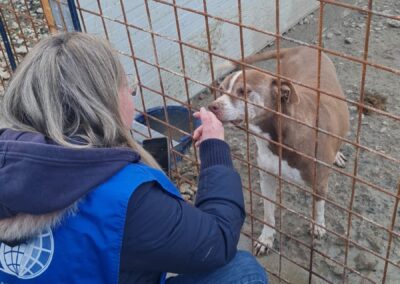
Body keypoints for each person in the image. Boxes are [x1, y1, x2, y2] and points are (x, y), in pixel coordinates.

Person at [0, 32, 267, 283]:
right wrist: (215, 150)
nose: (131, 95)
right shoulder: (122, 197)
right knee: (242, 271)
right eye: (128, 88)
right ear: (102, 103)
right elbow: (216, 243)